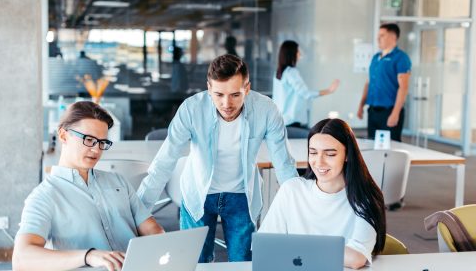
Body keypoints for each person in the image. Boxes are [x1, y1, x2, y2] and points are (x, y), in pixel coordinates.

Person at [137, 54, 298, 263]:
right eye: (218, 94)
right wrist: (139, 213)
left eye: (235, 95)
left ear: (247, 88)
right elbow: (164, 162)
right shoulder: (191, 109)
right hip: (198, 194)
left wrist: (299, 210)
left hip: (242, 196)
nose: (226, 103)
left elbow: (284, 164)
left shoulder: (266, 109)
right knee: (195, 263)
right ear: (208, 88)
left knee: (243, 262)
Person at [13, 101, 164, 271]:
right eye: (89, 139)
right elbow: (21, 259)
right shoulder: (45, 195)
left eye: (102, 143)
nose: (96, 150)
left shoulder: (118, 182)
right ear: (63, 136)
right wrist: (89, 256)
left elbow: (153, 230)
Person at [259, 118, 386, 269]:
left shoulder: (364, 197)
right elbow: (265, 247)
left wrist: (294, 247)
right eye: (313, 152)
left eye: (330, 154)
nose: (319, 162)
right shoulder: (292, 190)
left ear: (347, 155)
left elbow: (355, 258)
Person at [357, 23, 411, 141]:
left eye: (382, 35)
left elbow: (403, 87)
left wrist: (395, 113)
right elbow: (369, 82)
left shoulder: (401, 58)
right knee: (372, 145)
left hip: (389, 111)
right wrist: (361, 105)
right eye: (378, 35)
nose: (378, 38)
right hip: (373, 110)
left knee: (391, 148)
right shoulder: (376, 57)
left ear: (393, 37)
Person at [273, 40, 339, 129]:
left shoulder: (278, 73)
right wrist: (329, 90)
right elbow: (306, 93)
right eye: (298, 52)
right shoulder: (291, 72)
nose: (300, 55)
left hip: (281, 121)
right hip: (291, 122)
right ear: (291, 54)